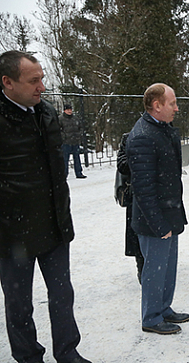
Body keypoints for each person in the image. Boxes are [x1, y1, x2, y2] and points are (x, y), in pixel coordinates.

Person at [0, 50, 91, 363]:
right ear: (7, 82)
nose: (42, 86)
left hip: (54, 225)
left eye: (42, 78)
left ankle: (68, 352)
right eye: (33, 80)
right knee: (19, 304)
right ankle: (28, 357)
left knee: (62, 295)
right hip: (12, 234)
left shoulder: (47, 112)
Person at [126, 83, 189, 335]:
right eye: (172, 103)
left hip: (169, 214)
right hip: (155, 221)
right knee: (155, 269)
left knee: (168, 266)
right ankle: (151, 317)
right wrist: (158, 224)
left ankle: (164, 308)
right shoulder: (143, 135)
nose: (176, 107)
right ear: (157, 106)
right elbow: (143, 188)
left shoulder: (161, 129)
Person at [116, 133, 144, 283]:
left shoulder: (164, 133)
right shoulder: (129, 137)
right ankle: (141, 266)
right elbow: (122, 165)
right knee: (137, 233)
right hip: (136, 195)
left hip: (160, 195)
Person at [59, 103, 87, 179]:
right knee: (65, 159)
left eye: (70, 109)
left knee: (77, 158)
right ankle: (64, 174)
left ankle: (79, 173)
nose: (69, 111)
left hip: (75, 141)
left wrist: (79, 135)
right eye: (68, 110)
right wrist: (64, 137)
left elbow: (80, 127)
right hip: (66, 143)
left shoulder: (75, 118)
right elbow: (58, 130)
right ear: (64, 110)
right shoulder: (60, 119)